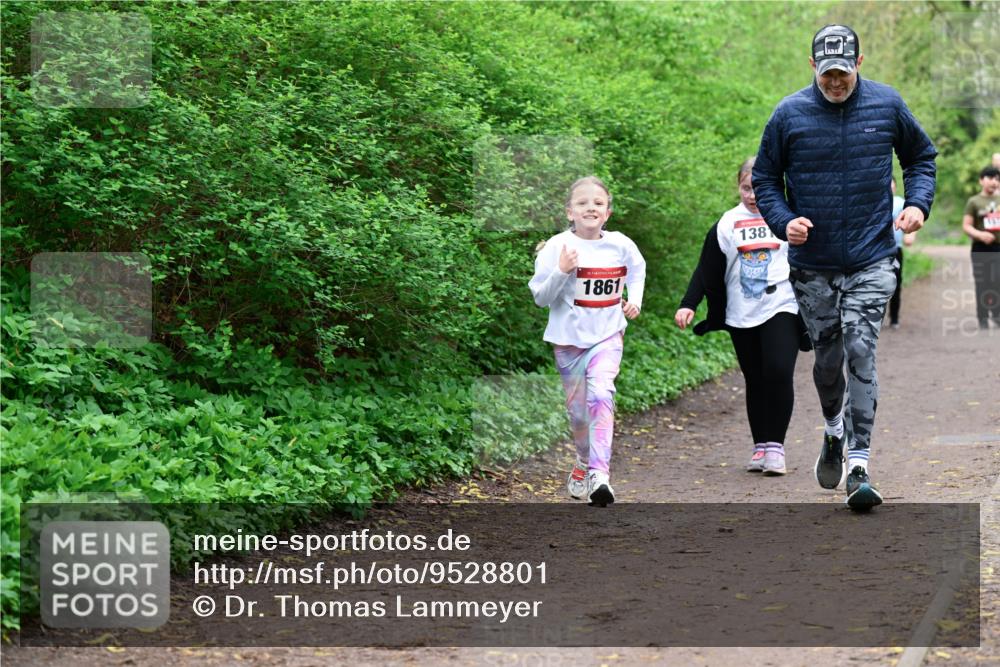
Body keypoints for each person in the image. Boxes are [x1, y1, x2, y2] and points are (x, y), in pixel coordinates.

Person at [753, 24, 937, 510]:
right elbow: (766, 178)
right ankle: (833, 429)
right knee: (828, 361)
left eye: (844, 72)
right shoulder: (788, 114)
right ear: (813, 66)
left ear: (860, 63)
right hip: (812, 264)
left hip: (872, 254)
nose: (836, 83)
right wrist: (783, 220)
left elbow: (921, 157)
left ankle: (859, 465)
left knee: (861, 347)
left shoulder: (887, 104)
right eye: (828, 74)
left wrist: (918, 204)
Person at [675, 157, 807, 476]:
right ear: (738, 186)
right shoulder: (726, 223)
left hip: (782, 305)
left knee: (777, 370)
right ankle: (760, 444)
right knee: (755, 378)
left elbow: (814, 257)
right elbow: (706, 269)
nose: (753, 195)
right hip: (741, 311)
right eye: (747, 188)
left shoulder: (789, 217)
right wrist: (689, 303)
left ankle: (775, 447)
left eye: (760, 188)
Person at [529, 177, 646, 507]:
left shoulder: (621, 244)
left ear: (607, 213)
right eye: (582, 203)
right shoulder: (557, 247)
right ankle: (583, 462)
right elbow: (541, 298)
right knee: (579, 414)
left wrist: (633, 299)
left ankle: (599, 474)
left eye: (598, 203)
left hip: (608, 335)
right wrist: (562, 271)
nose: (590, 207)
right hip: (568, 342)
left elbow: (637, 269)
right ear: (570, 211)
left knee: (600, 394)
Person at [961, 166, 1000, 329]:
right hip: (981, 248)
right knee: (983, 283)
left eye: (997, 179)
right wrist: (980, 235)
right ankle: (982, 318)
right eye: (990, 178)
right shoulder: (974, 201)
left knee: (997, 282)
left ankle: (997, 316)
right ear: (981, 180)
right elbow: (966, 226)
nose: (994, 182)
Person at [888, 176, 917, 329]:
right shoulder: (874, 204)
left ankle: (894, 318)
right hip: (875, 251)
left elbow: (913, 220)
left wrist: (911, 235)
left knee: (896, 284)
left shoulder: (900, 203)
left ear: (896, 187)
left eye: (892, 186)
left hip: (896, 249)